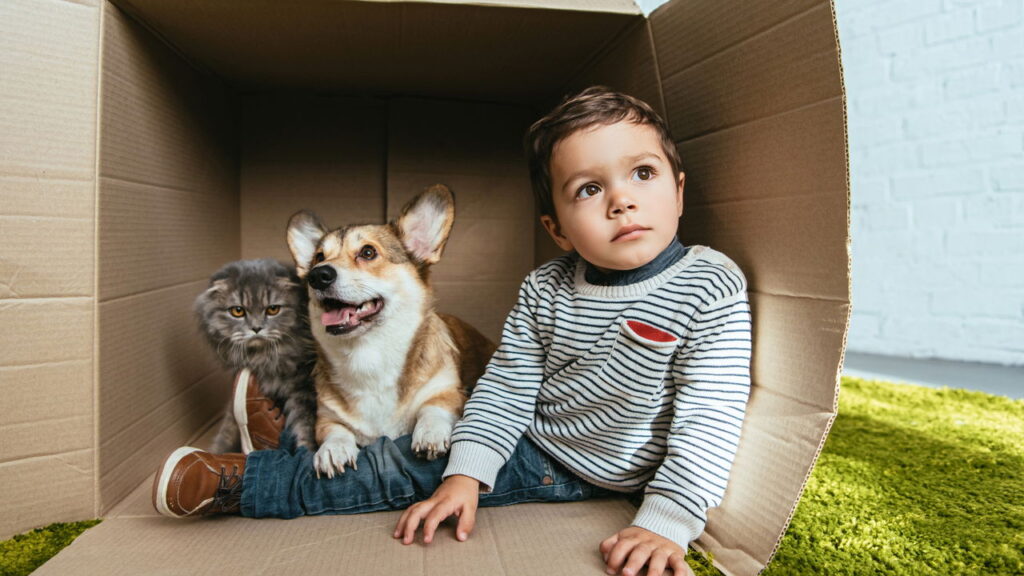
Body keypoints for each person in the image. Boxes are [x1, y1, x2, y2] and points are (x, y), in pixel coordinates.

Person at [152, 86, 752, 576]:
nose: (621, 200)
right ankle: (290, 435)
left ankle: (247, 484)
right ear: (557, 229)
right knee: (432, 458)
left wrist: (667, 520)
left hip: (584, 466)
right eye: (589, 189)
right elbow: (506, 388)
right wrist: (467, 470)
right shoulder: (545, 286)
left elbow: (710, 415)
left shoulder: (709, 284)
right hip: (527, 432)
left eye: (642, 173)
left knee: (395, 471)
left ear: (679, 190)